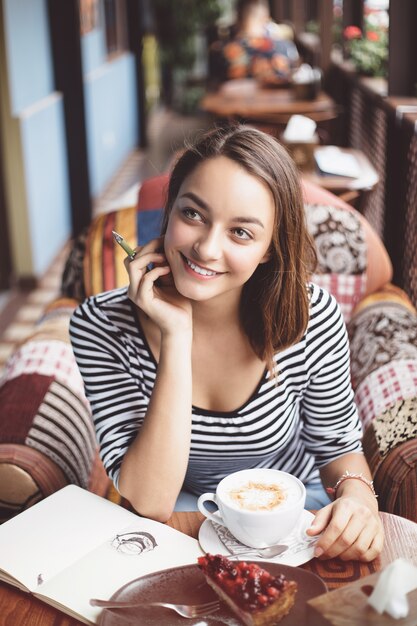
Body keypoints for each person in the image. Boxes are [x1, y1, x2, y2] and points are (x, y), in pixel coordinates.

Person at [70, 125, 384, 562]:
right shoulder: (101, 325)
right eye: (193, 214)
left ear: (270, 249)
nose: (206, 248)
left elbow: (338, 450)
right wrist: (176, 334)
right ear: (170, 210)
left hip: (294, 512)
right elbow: (151, 499)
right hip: (184, 513)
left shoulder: (312, 317)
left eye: (240, 233)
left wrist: (358, 500)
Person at [217, 0, 299, 84]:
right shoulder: (285, 46)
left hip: (234, 96)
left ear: (238, 17)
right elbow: (296, 75)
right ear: (266, 17)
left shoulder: (225, 50)